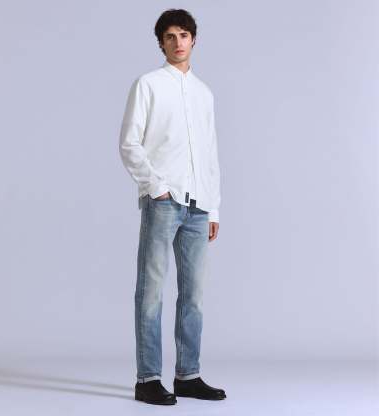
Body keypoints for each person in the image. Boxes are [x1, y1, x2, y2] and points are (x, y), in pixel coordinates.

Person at [119, 8, 226, 405]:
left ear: (193, 39)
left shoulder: (204, 93)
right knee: (151, 292)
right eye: (170, 36)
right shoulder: (148, 84)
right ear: (161, 43)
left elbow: (210, 153)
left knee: (193, 295)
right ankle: (148, 379)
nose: (178, 42)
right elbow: (129, 143)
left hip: (199, 206)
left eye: (183, 34)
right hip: (164, 202)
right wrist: (156, 187)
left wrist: (213, 208)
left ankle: (188, 375)